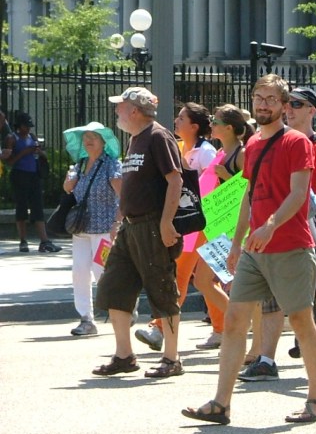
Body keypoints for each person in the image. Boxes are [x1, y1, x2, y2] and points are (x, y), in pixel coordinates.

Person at [182, 74, 316, 425]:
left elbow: (299, 194)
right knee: (235, 320)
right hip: (254, 249)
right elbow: (248, 196)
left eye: (271, 99)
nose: (263, 104)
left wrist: (271, 225)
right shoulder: (253, 146)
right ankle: (220, 403)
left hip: (290, 246)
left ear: (283, 105)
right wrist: (236, 243)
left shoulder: (297, 142)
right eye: (258, 98)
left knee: (301, 321)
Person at [239, 86, 316, 382]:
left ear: (312, 110)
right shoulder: (265, 142)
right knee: (272, 302)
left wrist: (308, 199)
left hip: (314, 232)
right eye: (288, 103)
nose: (290, 109)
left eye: (297, 104)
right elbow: (252, 192)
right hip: (271, 236)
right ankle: (266, 359)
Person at [92, 87, 185, 378]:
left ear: (134, 110)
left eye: (120, 106)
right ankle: (124, 356)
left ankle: (172, 358)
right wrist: (119, 220)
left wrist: (167, 223)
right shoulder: (135, 139)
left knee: (162, 290)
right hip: (131, 227)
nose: (116, 111)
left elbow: (175, 181)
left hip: (152, 226)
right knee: (114, 288)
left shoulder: (158, 136)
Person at [134, 102, 218, 351]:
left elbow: (213, 187)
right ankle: (223, 327)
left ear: (194, 126)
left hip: (200, 225)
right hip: (186, 222)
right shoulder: (179, 147)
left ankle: (159, 328)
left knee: (180, 274)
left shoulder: (206, 152)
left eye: (182, 118)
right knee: (202, 280)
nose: (176, 121)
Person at [189, 104, 249, 351]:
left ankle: (240, 330)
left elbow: (250, 191)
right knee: (203, 281)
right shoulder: (220, 153)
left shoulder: (242, 154)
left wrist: (226, 176)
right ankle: (240, 324)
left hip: (235, 229)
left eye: (216, 122)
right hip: (217, 226)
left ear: (229, 128)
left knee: (231, 283)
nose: (211, 125)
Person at [62, 122, 123, 336]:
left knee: (102, 271)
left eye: (94, 137)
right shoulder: (79, 165)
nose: (88, 140)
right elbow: (68, 189)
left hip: (104, 228)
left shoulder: (112, 164)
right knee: (79, 271)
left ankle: (121, 308)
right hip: (81, 228)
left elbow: (122, 195)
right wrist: (69, 180)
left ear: (104, 142)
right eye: (86, 137)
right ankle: (86, 319)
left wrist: (118, 222)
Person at [4, 112, 61, 253]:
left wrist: (40, 152)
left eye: (29, 126)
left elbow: (44, 155)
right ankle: (23, 241)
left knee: (38, 207)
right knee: (21, 207)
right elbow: (10, 162)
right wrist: (24, 152)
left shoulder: (32, 137)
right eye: (25, 126)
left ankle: (44, 241)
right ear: (19, 126)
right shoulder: (12, 138)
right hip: (19, 175)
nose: (28, 129)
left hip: (34, 175)